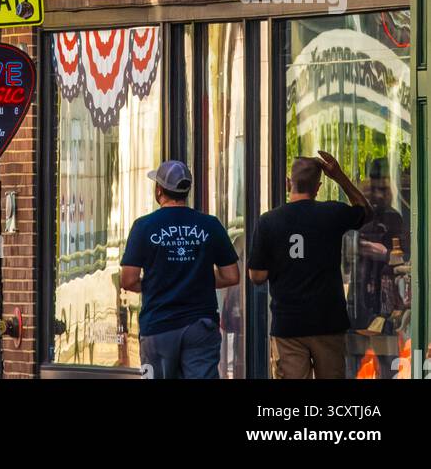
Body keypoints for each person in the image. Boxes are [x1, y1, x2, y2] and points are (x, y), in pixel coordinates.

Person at [248, 150, 372, 379]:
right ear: (318, 187)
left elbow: (256, 276)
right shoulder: (332, 213)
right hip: (328, 322)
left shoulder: (268, 221)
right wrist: (340, 176)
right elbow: (365, 212)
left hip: (288, 325)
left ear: (288, 184)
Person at [120, 160, 240, 379]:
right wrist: (197, 279)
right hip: (200, 326)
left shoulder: (144, 226)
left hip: (158, 326)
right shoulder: (210, 224)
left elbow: (128, 280)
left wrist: (158, 282)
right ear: (186, 191)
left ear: (159, 190)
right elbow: (231, 275)